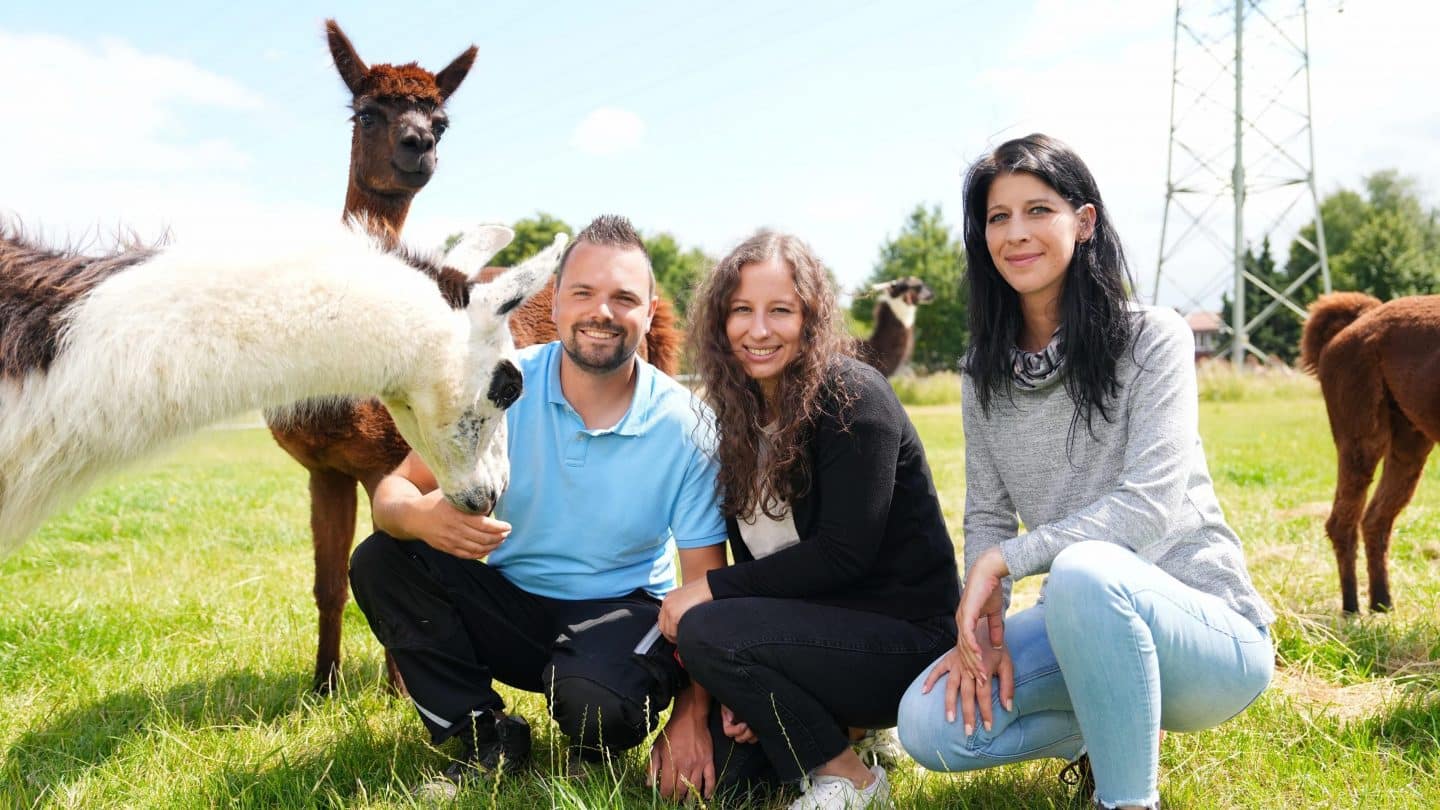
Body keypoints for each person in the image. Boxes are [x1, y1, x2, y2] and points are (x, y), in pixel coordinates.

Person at [895, 134, 1276, 810]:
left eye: (1038, 210)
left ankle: (1128, 799)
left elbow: (1148, 507)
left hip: (1210, 638)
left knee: (1085, 570)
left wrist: (1009, 561)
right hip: (1088, 623)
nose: (1016, 233)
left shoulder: (1154, 337)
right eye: (997, 217)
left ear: (1085, 221)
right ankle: (1110, 724)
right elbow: (986, 513)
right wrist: (987, 625)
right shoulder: (982, 374)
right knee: (930, 724)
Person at [348, 215, 728, 790]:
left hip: (620, 610)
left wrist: (693, 716)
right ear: (554, 306)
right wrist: (421, 516)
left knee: (598, 704)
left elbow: (703, 588)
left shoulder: (687, 425)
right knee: (381, 559)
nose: (602, 311)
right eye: (583, 293)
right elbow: (391, 493)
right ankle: (484, 735)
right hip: (510, 603)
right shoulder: (501, 387)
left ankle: (594, 732)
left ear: (649, 312)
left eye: (624, 297)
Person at [656, 231, 960, 810]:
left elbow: (844, 554)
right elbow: (759, 566)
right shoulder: (739, 416)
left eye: (780, 311)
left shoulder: (852, 396)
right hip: (814, 637)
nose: (759, 329)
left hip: (907, 642)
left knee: (705, 625)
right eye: (741, 310)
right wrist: (737, 682)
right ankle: (838, 733)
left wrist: (711, 593)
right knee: (730, 779)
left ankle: (853, 779)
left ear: (811, 316)